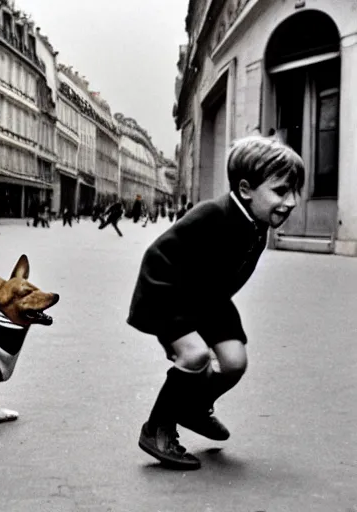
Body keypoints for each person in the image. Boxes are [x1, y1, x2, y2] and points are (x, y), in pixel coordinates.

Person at [127, 135, 305, 470]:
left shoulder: (257, 224)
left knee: (235, 362)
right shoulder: (213, 214)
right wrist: (180, 332)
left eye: (296, 191)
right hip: (167, 292)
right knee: (194, 355)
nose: (292, 201)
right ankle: (157, 428)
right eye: (281, 191)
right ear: (245, 189)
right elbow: (157, 255)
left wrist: (212, 320)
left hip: (209, 298)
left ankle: (194, 408)